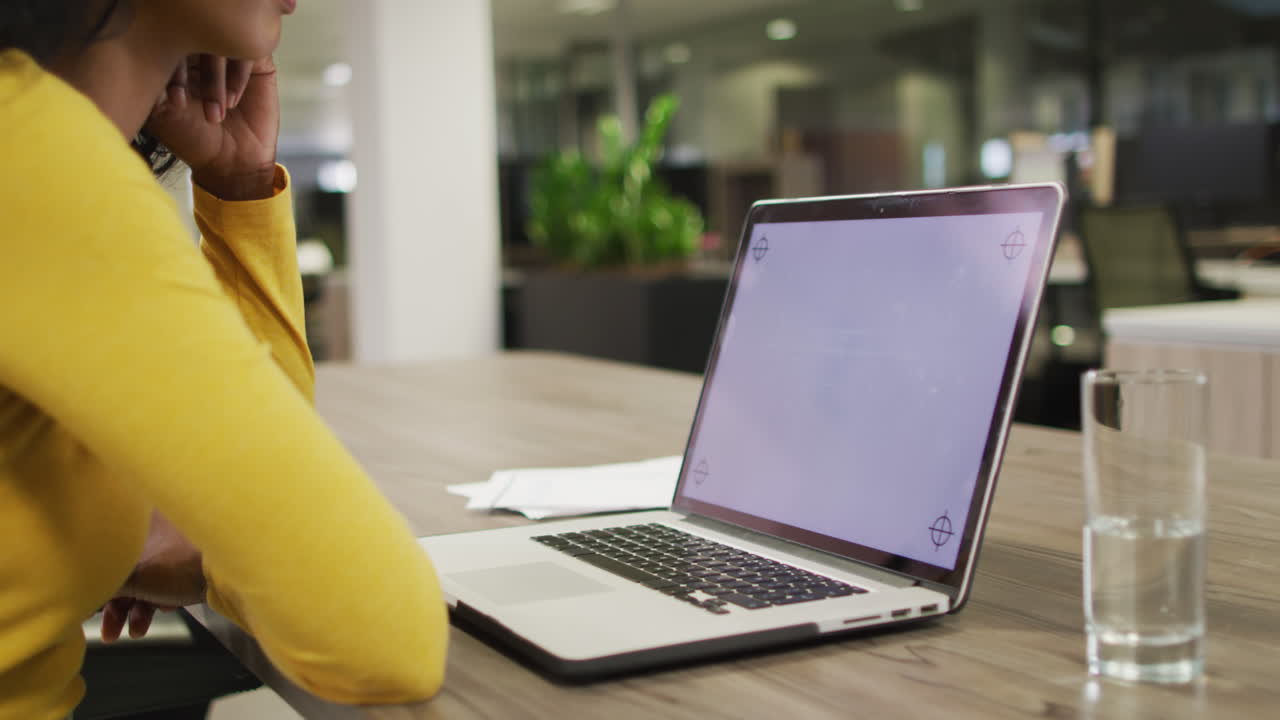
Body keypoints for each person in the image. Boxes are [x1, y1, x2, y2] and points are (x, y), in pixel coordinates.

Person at [0, 2, 449, 718]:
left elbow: (266, 486)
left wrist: (240, 186)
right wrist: (218, 563)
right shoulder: (31, 155)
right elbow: (382, 638)